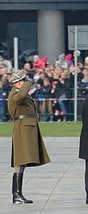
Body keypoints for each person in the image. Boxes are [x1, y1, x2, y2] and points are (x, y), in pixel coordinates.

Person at [7, 69, 51, 204]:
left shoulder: (20, 94)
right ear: (18, 83)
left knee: (23, 162)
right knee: (20, 162)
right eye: (23, 82)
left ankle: (18, 194)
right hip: (22, 129)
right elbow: (21, 96)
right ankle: (16, 194)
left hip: (27, 128)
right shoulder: (15, 95)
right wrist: (28, 82)